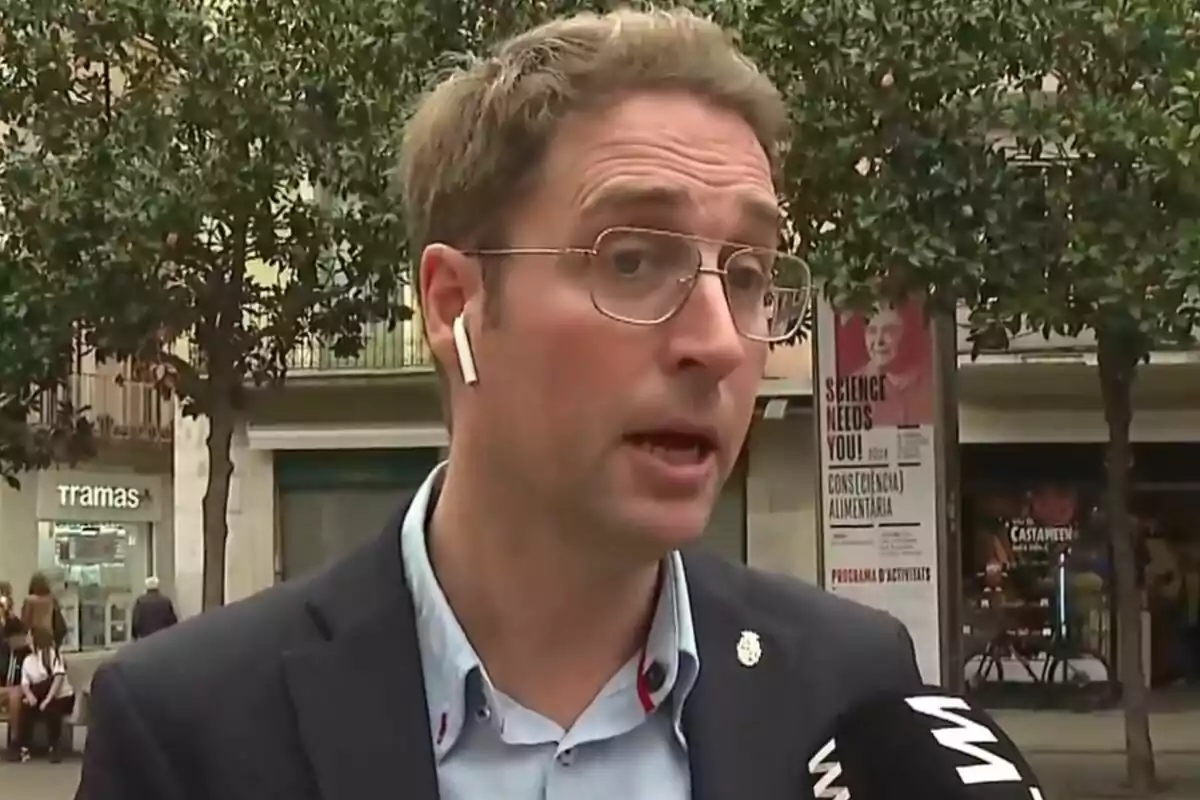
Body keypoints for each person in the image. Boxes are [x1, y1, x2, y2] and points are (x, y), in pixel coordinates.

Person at [76, 9, 922, 800]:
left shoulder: (855, 696)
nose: (722, 343)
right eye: (630, 261)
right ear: (453, 307)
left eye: (746, 274)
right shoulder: (188, 731)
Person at [17, 627, 75, 763]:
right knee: (25, 706)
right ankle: (23, 747)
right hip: (39, 697)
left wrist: (47, 700)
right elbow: (24, 683)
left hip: (61, 696)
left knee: (51, 708)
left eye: (29, 636)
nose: (26, 639)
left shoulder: (52, 654)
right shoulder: (28, 660)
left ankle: (54, 747)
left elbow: (58, 679)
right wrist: (30, 695)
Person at [2, 617, 32, 760]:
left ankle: (15, 741)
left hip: (21, 690)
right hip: (3, 689)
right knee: (11, 693)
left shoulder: (28, 653)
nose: (21, 640)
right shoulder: (3, 653)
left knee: (14, 696)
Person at [21, 572, 68, 648]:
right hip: (49, 636)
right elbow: (58, 620)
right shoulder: (52, 599)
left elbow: (25, 622)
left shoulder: (29, 600)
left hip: (35, 636)